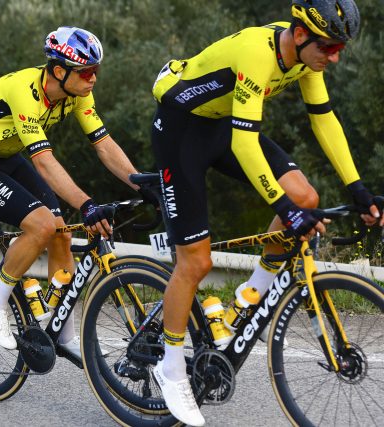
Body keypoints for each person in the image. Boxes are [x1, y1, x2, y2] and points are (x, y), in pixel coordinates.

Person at [149, 1, 377, 425]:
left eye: (340, 48)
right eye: (329, 47)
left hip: (222, 127)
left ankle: (249, 295)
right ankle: (171, 365)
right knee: (195, 262)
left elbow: (323, 120)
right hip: (180, 134)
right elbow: (244, 146)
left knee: (306, 198)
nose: (335, 57)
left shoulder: (307, 60)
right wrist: (282, 209)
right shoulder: (259, 52)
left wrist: (358, 189)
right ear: (301, 33)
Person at [0, 26, 145, 358]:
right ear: (58, 70)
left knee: (62, 235)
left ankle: (61, 333)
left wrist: (142, 183)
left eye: (96, 70)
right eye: (86, 71)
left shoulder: (77, 93)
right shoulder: (24, 91)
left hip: (6, 156)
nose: (93, 78)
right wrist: (86, 204)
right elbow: (43, 161)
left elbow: (104, 145)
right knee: (42, 226)